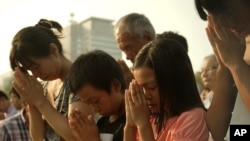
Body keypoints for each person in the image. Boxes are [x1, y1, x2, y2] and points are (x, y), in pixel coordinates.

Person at [10, 19, 94, 141]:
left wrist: (41, 102)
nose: (35, 75)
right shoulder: (43, 86)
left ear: (53, 51)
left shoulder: (81, 78)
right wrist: (32, 102)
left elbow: (77, 136)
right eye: (30, 70)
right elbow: (37, 137)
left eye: (36, 67)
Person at [124, 38, 209, 141]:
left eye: (151, 87)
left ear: (174, 81)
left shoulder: (193, 118)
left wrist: (143, 125)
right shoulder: (152, 119)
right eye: (140, 88)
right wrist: (130, 125)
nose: (146, 95)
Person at [195, 0, 250, 140]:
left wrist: (235, 63)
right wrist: (224, 65)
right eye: (217, 17)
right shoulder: (237, 45)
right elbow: (217, 130)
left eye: (229, 12)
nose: (227, 23)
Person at [67, 50, 127, 141]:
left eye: (95, 101)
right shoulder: (102, 123)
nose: (94, 109)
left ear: (116, 86)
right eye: (87, 103)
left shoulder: (132, 120)